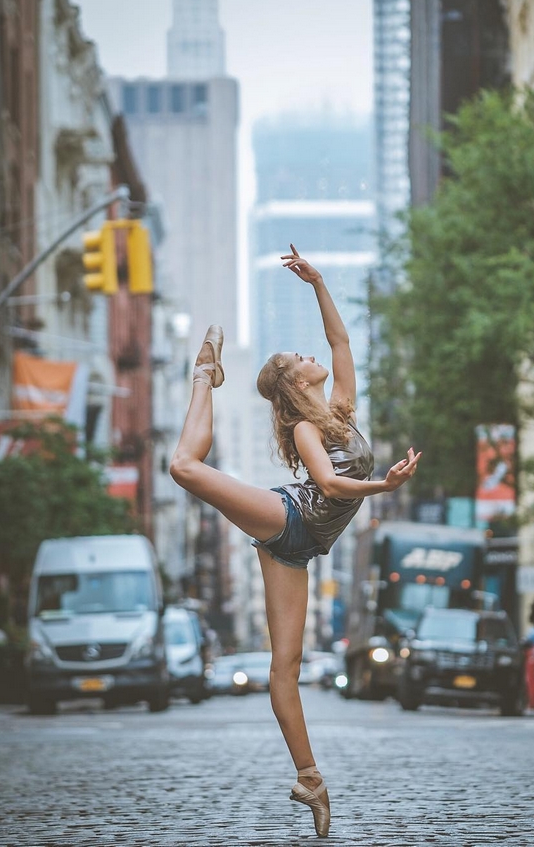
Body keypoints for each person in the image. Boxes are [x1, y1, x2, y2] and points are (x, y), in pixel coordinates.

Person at [169, 245, 421, 838]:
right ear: (292, 380)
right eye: (299, 357)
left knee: (286, 667)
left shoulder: (340, 411)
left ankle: (309, 778)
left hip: (300, 547)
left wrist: (319, 283)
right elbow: (331, 483)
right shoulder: (307, 426)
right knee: (184, 466)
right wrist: (384, 484)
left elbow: (341, 344)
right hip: (289, 518)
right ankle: (206, 375)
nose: (314, 356)